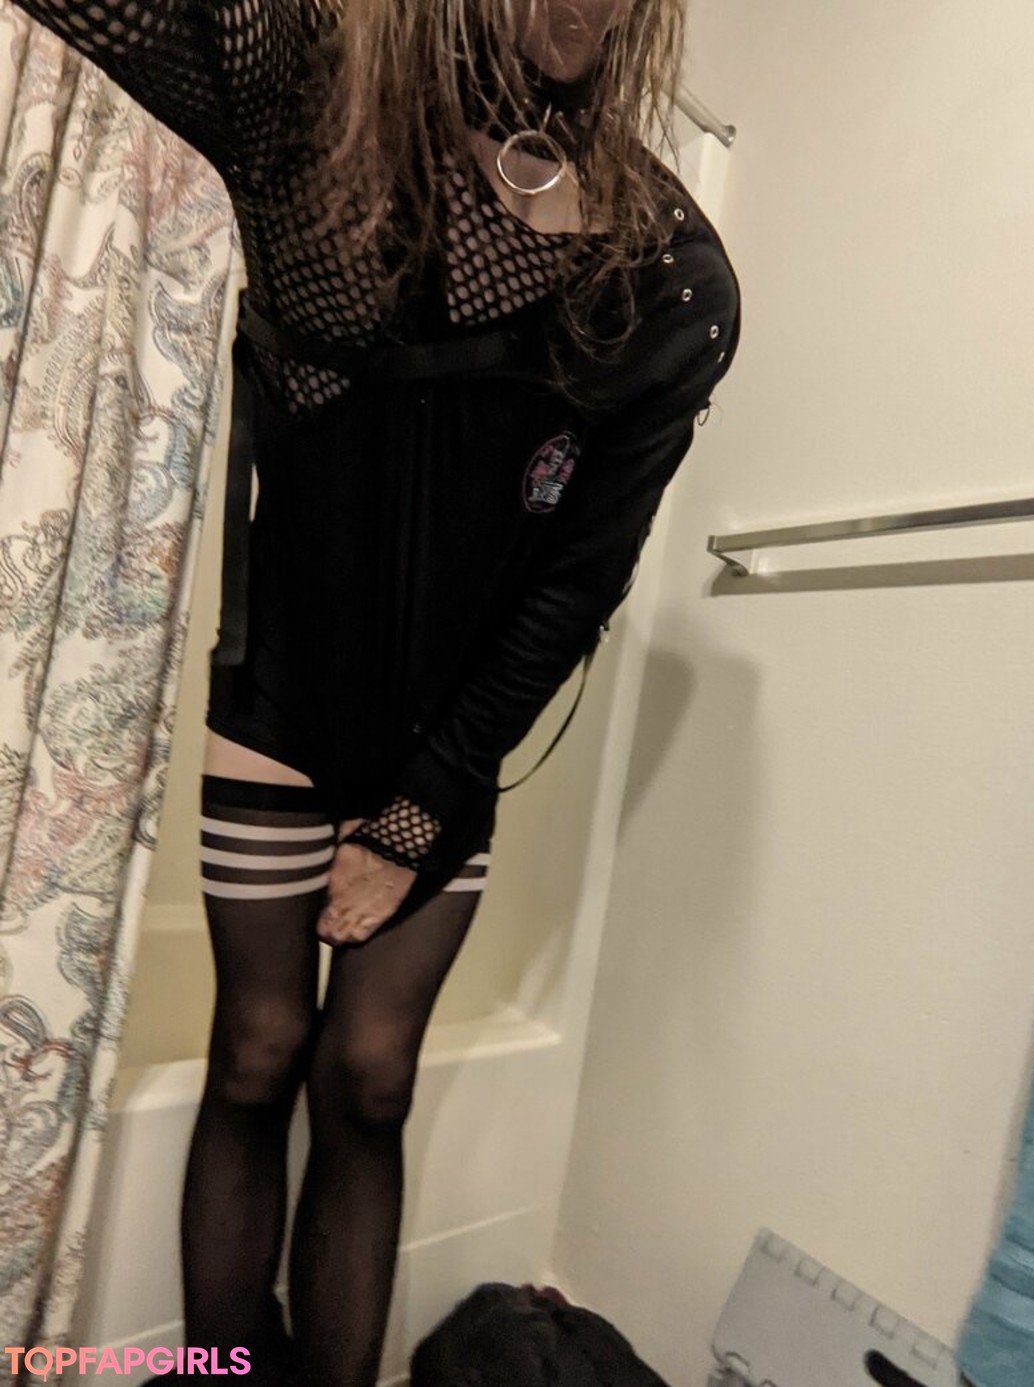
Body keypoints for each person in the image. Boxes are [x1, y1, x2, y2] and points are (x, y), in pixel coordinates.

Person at [8, 1, 740, 1383]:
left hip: (449, 745)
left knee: (371, 1082)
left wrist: (416, 814)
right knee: (255, 1052)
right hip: (284, 704)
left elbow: (573, 586)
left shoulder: (672, 279)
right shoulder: (319, 97)